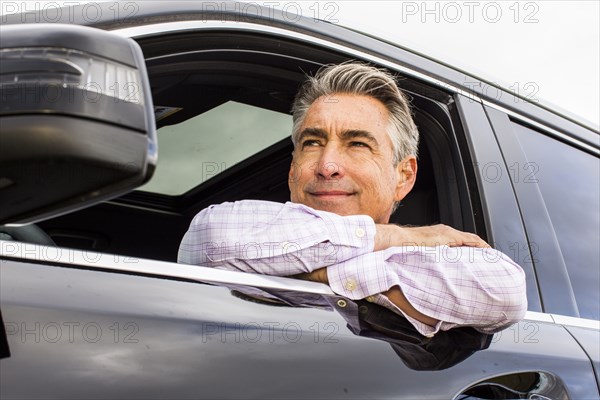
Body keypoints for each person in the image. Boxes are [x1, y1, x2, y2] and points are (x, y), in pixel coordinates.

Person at [178, 62, 527, 337]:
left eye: (357, 144)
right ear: (292, 169)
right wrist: (393, 237)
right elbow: (203, 241)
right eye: (312, 143)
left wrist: (312, 275)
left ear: (403, 176)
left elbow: (505, 292)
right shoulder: (244, 227)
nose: (327, 165)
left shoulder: (452, 259)